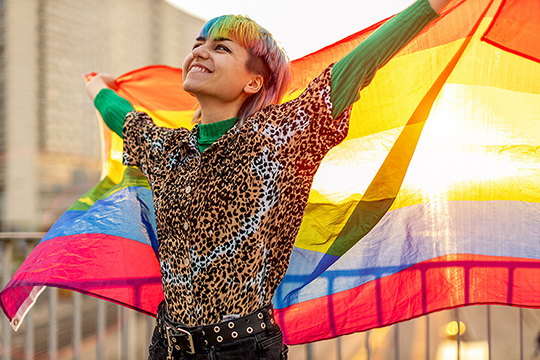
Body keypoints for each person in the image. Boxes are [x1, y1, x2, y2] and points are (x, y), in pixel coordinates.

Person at [85, 0, 450, 358]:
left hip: (242, 349)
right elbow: (126, 119)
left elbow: (359, 65)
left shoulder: (279, 137)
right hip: (168, 347)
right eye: (197, 45)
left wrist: (428, 7)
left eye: (220, 47)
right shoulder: (168, 150)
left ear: (254, 82)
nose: (199, 53)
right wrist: (97, 85)